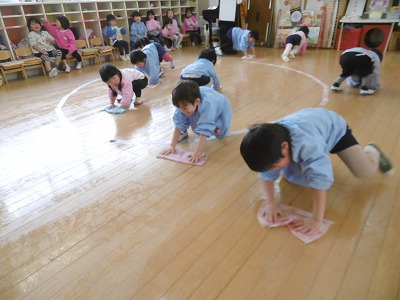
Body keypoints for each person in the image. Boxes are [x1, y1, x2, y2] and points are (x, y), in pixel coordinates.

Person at [240, 108, 394, 235]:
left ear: (285, 146)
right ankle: (287, 164)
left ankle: (372, 152)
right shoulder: (272, 139)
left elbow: (319, 182)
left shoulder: (308, 147)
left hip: (335, 130)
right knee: (292, 174)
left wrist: (316, 220)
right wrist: (271, 203)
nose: (273, 170)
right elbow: (267, 176)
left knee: (364, 172)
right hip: (311, 126)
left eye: (274, 166)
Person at [161, 80, 232, 163]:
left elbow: (204, 131)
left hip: (222, 106)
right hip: (200, 103)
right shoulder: (183, 105)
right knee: (195, 125)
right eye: (179, 108)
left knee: (221, 134)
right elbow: (178, 124)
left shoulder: (208, 106)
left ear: (197, 101)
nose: (182, 111)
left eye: (184, 108)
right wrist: (172, 146)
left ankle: (215, 125)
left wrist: (197, 153)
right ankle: (210, 123)